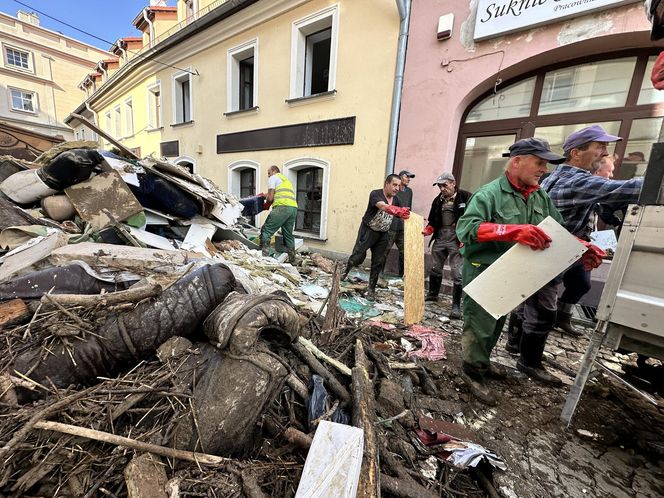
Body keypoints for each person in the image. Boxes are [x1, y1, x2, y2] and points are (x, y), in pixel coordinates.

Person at [456, 138, 604, 405]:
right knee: (480, 324)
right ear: (517, 161)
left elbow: (555, 230)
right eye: (539, 162)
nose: (543, 169)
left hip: (513, 271)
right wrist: (514, 231)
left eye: (545, 164)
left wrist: (583, 247)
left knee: (497, 321)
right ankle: (472, 372)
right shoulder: (488, 194)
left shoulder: (538, 195)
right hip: (484, 270)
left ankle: (483, 362)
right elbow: (466, 230)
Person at [541, 126, 644, 336]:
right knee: (540, 305)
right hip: (555, 252)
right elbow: (627, 190)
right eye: (600, 146)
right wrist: (655, 178)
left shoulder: (562, 177)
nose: (605, 152)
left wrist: (609, 223)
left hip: (572, 248)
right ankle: (526, 352)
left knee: (578, 284)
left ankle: (553, 322)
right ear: (576, 153)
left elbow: (602, 204)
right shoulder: (576, 181)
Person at [342, 174, 410, 300]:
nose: (396, 188)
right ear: (386, 184)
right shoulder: (376, 194)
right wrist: (397, 211)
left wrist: (412, 218)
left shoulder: (397, 200)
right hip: (368, 229)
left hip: (383, 233)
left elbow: (403, 213)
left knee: (378, 261)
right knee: (358, 256)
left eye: (399, 186)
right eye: (394, 185)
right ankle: (345, 272)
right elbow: (383, 206)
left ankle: (371, 290)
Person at [423, 172, 472, 319]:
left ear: (453, 183)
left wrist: (466, 234)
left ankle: (456, 306)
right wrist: (428, 230)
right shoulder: (438, 200)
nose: (442, 189)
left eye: (444, 185)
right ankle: (433, 295)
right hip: (441, 236)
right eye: (439, 186)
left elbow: (474, 217)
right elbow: (432, 221)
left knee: (457, 272)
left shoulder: (466, 197)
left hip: (457, 238)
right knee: (435, 267)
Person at [260, 165, 298, 264]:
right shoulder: (286, 180)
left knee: (266, 231)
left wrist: (265, 204)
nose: (268, 176)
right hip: (292, 208)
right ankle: (293, 261)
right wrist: (263, 195)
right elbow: (277, 193)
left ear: (274, 171)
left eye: (269, 173)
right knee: (288, 235)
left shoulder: (273, 177)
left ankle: (264, 259)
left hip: (282, 207)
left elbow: (270, 198)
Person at [383, 170, 415, 276]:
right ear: (401, 177)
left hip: (402, 227)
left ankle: (402, 276)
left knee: (405, 252)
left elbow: (409, 208)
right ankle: (379, 274)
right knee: (384, 251)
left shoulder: (409, 191)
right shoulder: (394, 190)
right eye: (407, 177)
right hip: (391, 226)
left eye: (410, 177)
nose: (409, 179)